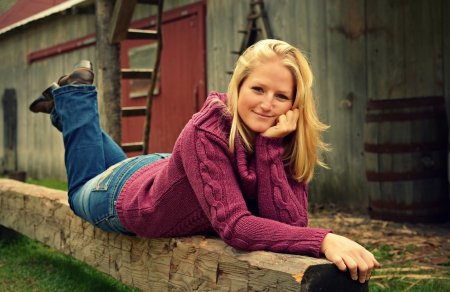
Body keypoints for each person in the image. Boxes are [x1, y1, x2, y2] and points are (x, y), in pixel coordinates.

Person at [29, 39, 378, 283]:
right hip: (126, 196)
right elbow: (236, 226)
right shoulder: (206, 130)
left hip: (167, 171)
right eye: (258, 89)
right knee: (79, 193)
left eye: (281, 96)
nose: (268, 104)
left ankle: (65, 112)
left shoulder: (281, 138)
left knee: (102, 165)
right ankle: (75, 98)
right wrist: (324, 240)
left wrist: (271, 150)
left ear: (295, 104)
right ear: (238, 86)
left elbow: (291, 223)